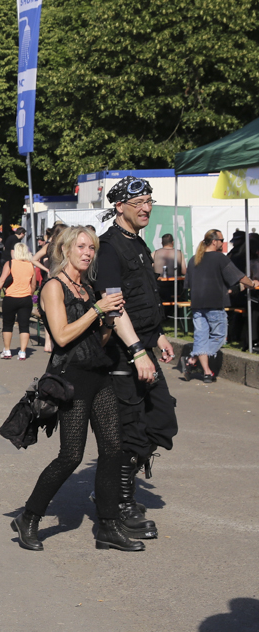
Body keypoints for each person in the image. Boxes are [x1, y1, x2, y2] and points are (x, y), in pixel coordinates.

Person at [10, 226, 144, 551]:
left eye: (92, 248)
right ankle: (29, 517)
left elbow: (99, 340)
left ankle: (108, 526)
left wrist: (108, 319)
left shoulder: (87, 288)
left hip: (99, 373)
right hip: (70, 379)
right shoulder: (53, 287)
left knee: (113, 449)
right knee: (71, 455)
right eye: (81, 246)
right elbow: (62, 336)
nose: (87, 253)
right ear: (66, 250)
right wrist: (97, 310)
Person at [94, 176, 177, 536]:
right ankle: (120, 502)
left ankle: (114, 490)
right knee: (131, 430)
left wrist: (157, 336)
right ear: (119, 207)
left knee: (161, 420)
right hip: (122, 354)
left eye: (149, 201)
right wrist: (138, 350)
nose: (146, 208)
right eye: (139, 202)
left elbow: (142, 298)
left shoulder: (139, 243)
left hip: (144, 348)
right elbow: (113, 307)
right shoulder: (108, 248)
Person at [184, 230, 259, 382]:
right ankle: (193, 359)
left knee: (201, 338)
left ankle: (206, 372)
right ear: (214, 242)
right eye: (222, 240)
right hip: (214, 303)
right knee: (219, 337)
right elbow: (238, 276)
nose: (223, 242)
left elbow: (188, 284)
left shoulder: (194, 259)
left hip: (197, 304)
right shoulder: (219, 258)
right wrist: (252, 283)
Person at [0, 243, 36, 360]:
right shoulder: (30, 265)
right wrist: (30, 294)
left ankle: (7, 350)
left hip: (10, 297)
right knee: (24, 325)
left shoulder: (10, 263)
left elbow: (2, 280)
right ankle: (23, 352)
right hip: (25, 298)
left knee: (7, 324)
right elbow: (33, 284)